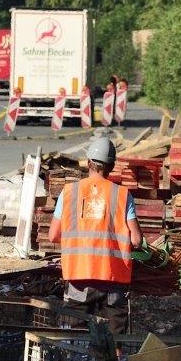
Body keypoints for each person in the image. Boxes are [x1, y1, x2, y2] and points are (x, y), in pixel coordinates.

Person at [48, 135, 142, 334]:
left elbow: (53, 235)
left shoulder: (69, 193)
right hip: (112, 278)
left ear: (88, 162)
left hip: (78, 276)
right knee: (115, 338)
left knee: (74, 337)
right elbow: (136, 239)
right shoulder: (123, 195)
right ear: (112, 166)